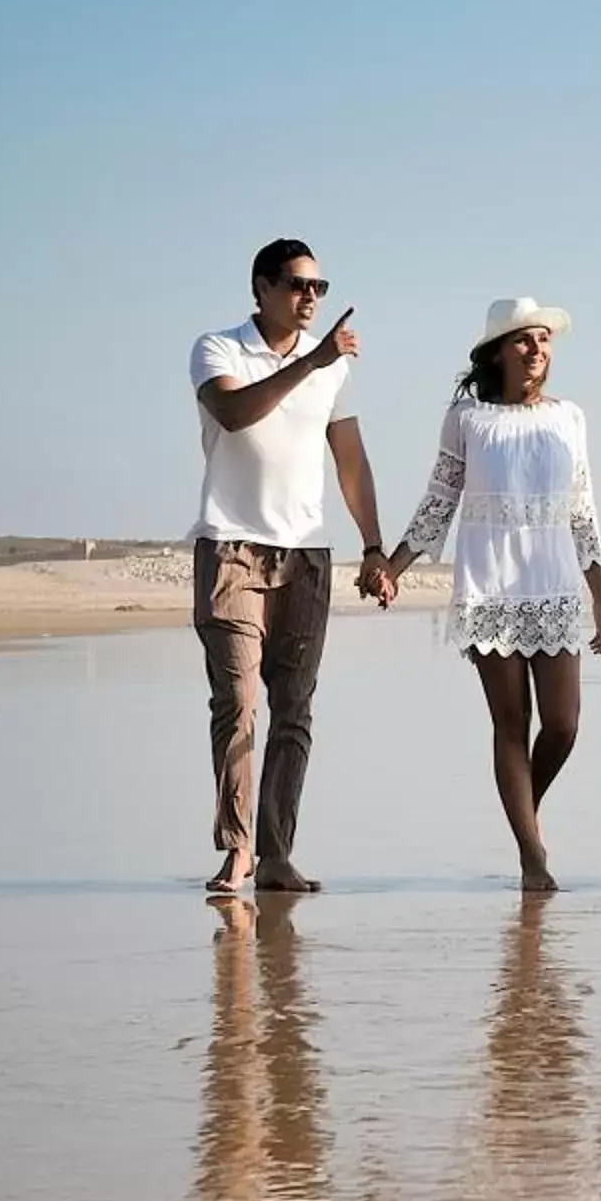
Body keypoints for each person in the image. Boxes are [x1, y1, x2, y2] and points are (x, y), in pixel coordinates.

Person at [380, 298, 601, 893]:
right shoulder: (468, 420)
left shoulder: (570, 417)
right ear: (498, 352)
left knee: (562, 726)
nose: (537, 350)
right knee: (511, 726)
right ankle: (532, 855)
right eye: (523, 340)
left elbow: (582, 510)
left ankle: (522, 816)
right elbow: (440, 500)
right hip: (490, 585)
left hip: (555, 582)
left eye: (544, 340)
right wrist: (395, 565)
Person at [188, 238, 392, 896]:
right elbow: (235, 413)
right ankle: (237, 849)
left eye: (319, 288)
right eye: (299, 285)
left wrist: (373, 547)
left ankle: (277, 854)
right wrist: (312, 364)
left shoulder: (331, 368)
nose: (311, 297)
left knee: (294, 709)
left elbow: (351, 461)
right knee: (238, 703)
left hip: (306, 554)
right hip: (230, 549)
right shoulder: (217, 348)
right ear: (262, 288)